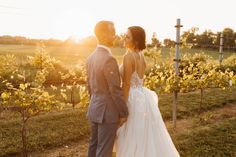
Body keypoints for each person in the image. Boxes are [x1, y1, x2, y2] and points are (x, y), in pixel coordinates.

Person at [115, 26, 180, 157]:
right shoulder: (141, 55)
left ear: (136, 41)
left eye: (128, 37)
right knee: (143, 133)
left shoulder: (128, 57)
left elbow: (126, 84)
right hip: (142, 96)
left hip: (132, 97)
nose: (124, 39)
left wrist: (123, 107)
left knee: (132, 134)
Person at [86, 21, 129, 157]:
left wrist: (94, 104)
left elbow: (90, 87)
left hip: (94, 109)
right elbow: (115, 90)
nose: (115, 35)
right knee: (104, 150)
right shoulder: (109, 59)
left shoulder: (90, 57)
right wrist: (123, 112)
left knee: (93, 147)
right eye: (113, 32)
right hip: (108, 114)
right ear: (104, 35)